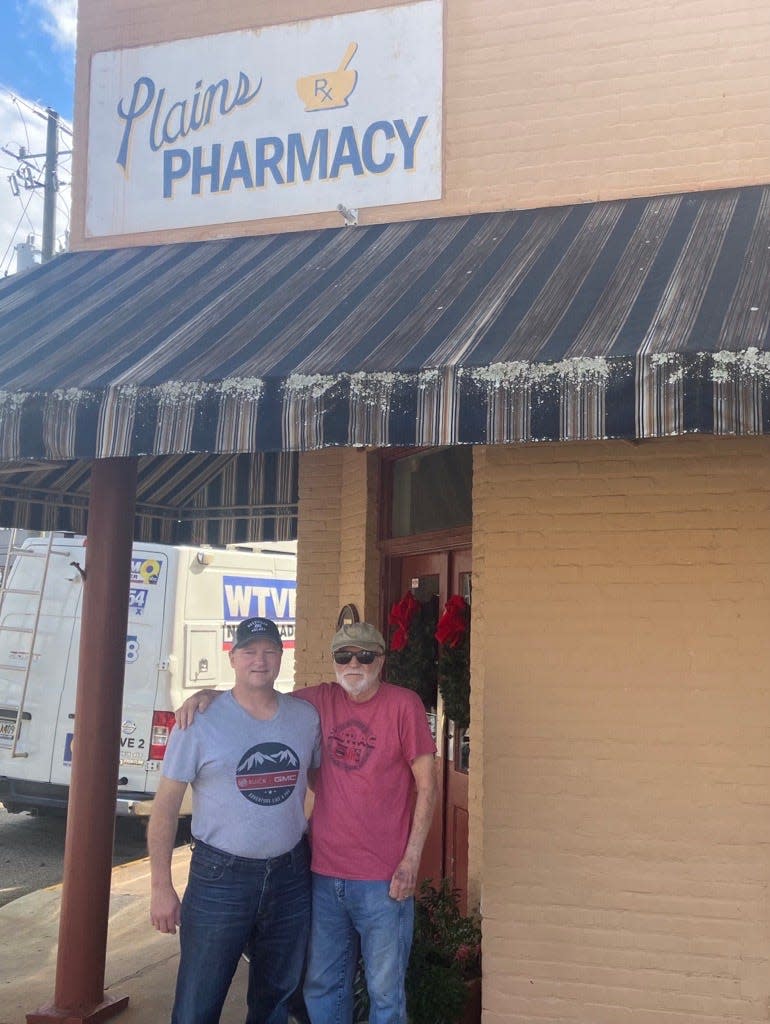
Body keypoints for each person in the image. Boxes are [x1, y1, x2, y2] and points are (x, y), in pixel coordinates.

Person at [178, 621, 437, 1024]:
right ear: (332, 661)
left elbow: (428, 786)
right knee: (322, 985)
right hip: (322, 873)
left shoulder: (404, 705)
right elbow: (258, 695)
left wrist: (411, 860)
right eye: (344, 656)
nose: (354, 664)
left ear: (382, 660)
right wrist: (210, 695)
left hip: (384, 879)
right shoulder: (315, 703)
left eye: (365, 656)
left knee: (385, 991)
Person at [149, 615, 321, 1024]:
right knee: (198, 1001)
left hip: (290, 874)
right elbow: (166, 807)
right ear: (232, 657)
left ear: (282, 657)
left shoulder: (305, 717)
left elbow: (318, 782)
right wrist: (160, 887)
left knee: (277, 999)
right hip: (219, 879)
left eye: (269, 651)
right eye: (249, 651)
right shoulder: (198, 722)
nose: (259, 660)